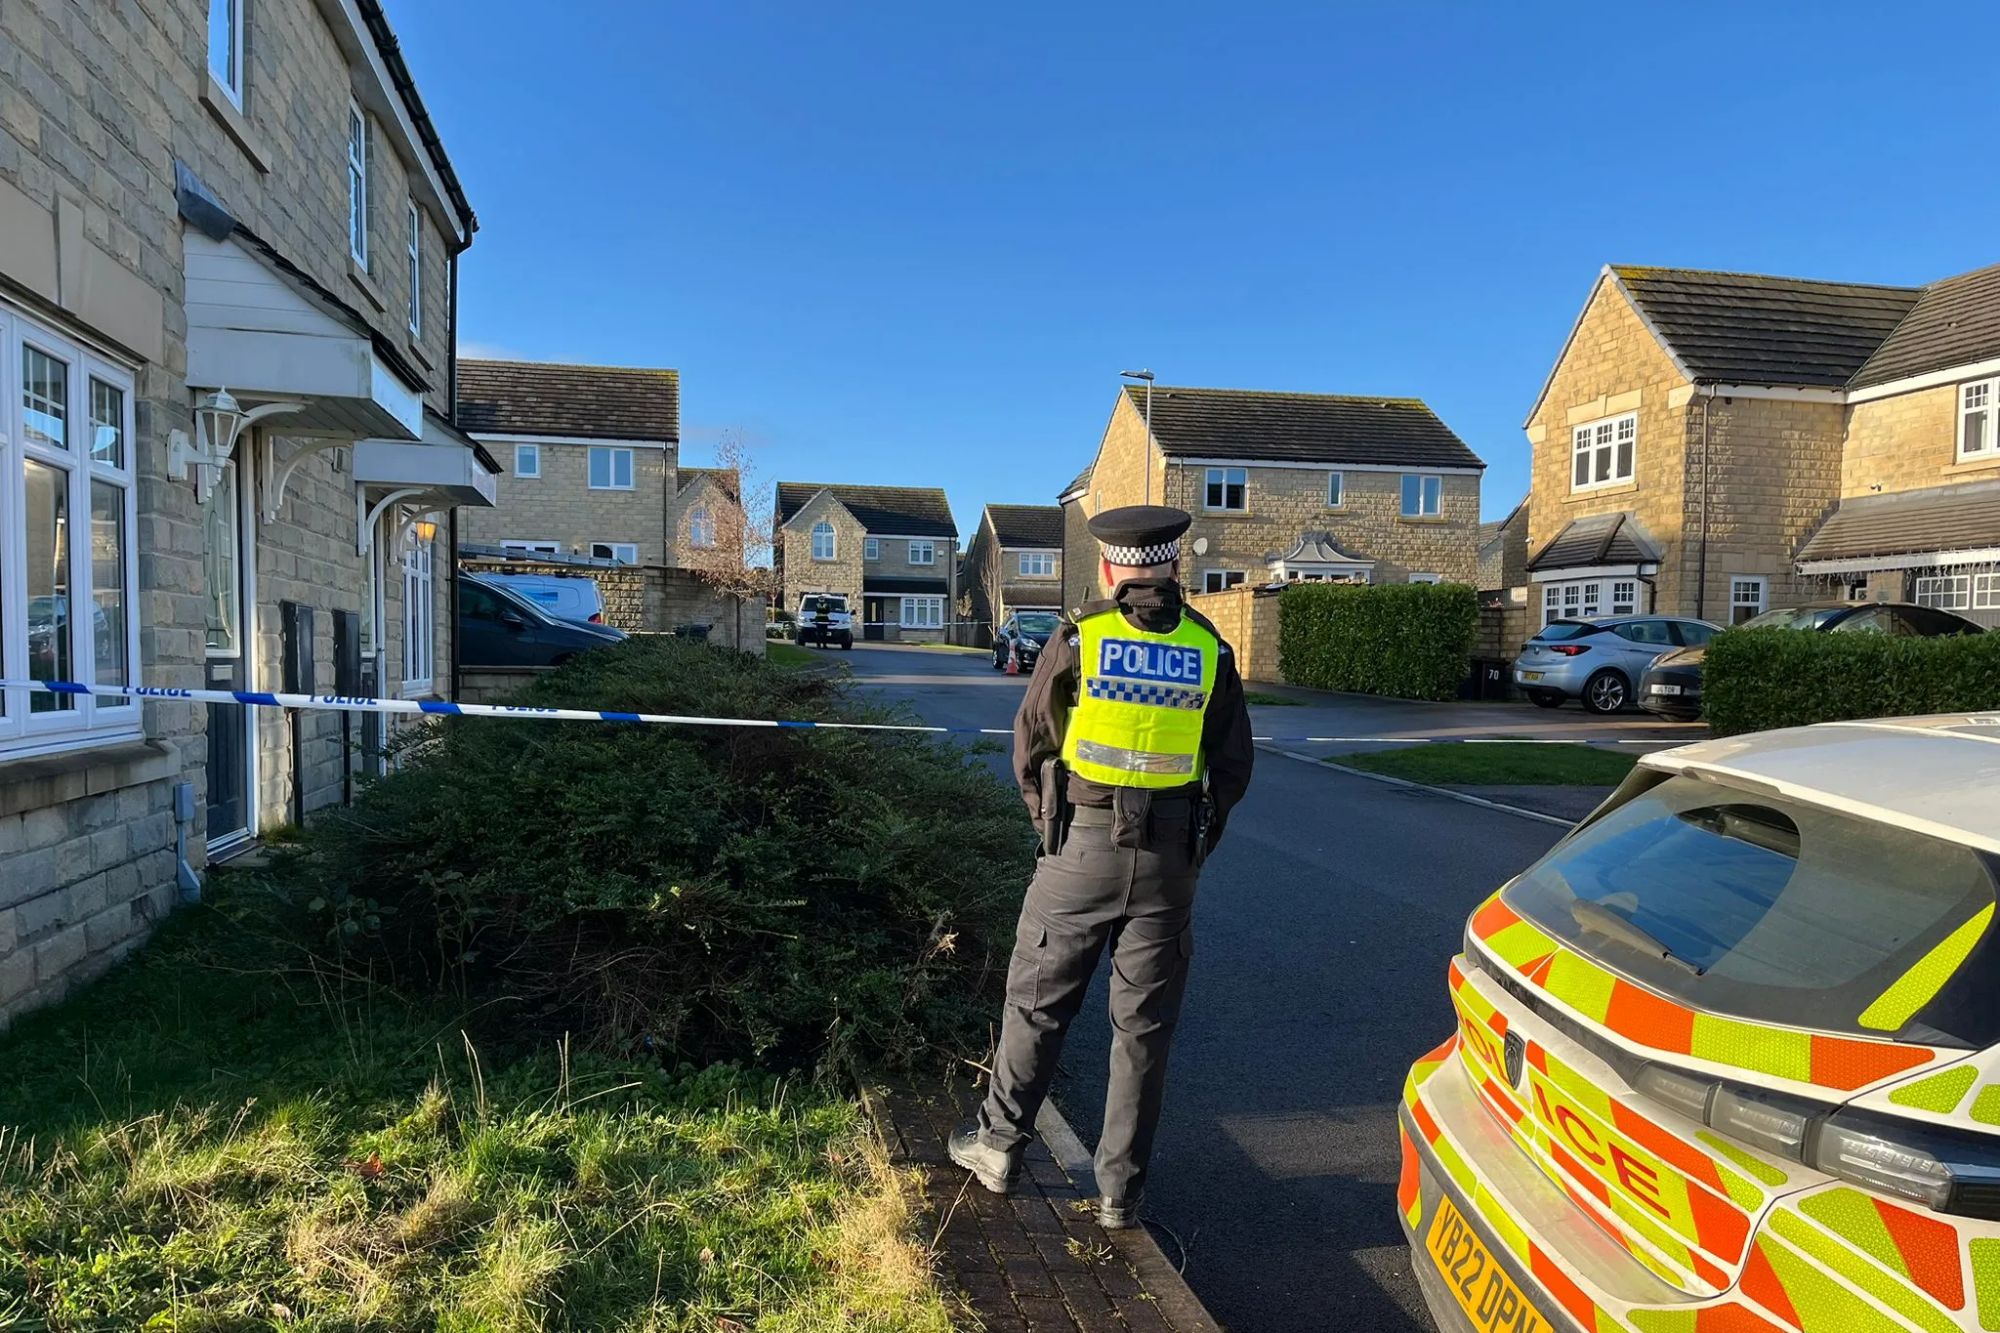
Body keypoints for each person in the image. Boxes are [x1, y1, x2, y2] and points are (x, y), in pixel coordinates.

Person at [950, 504, 1254, 1228]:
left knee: (1037, 1001)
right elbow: (1233, 765)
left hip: (1079, 846)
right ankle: (1119, 1192)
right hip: (1169, 860)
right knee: (1143, 1028)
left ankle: (997, 1145)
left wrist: (1051, 824)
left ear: (1112, 566)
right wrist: (1193, 844)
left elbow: (1030, 744)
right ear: (1174, 564)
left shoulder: (1081, 637)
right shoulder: (1210, 649)